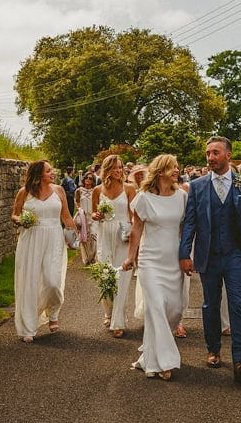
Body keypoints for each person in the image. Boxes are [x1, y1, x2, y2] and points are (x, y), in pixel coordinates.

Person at [179, 136, 241, 384]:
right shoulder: (197, 186)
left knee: (238, 303)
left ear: (228, 155)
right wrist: (185, 254)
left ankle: (240, 360)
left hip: (236, 254)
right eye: (208, 153)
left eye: (215, 153)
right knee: (211, 304)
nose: (210, 158)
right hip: (208, 255)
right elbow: (190, 223)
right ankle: (213, 349)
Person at [122, 155, 187, 381]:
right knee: (156, 307)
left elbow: (183, 230)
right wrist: (131, 257)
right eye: (173, 168)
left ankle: (151, 354)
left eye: (177, 168)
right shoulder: (143, 198)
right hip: (150, 261)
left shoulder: (182, 196)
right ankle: (164, 362)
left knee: (175, 309)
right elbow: (136, 229)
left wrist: (187, 256)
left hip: (173, 260)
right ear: (160, 172)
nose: (177, 171)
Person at [10, 160, 78, 343]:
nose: (52, 172)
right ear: (39, 174)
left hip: (54, 239)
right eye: (49, 171)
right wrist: (21, 220)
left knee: (52, 281)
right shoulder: (24, 193)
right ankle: (28, 327)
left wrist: (76, 236)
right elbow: (14, 214)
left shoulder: (59, 191)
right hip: (31, 240)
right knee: (30, 283)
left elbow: (66, 216)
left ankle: (53, 311)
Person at [92, 155, 137, 337]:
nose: (119, 171)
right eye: (115, 168)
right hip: (104, 234)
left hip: (122, 235)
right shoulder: (97, 190)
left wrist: (133, 233)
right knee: (105, 276)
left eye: (121, 167)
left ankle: (118, 321)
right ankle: (108, 311)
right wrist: (95, 215)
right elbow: (94, 212)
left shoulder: (129, 188)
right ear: (107, 169)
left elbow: (134, 216)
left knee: (122, 278)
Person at [74, 172, 98, 265]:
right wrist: (80, 210)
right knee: (84, 237)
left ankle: (93, 258)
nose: (88, 179)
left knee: (94, 236)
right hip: (83, 216)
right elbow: (77, 201)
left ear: (93, 181)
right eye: (87, 178)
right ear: (84, 179)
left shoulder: (95, 190)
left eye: (91, 178)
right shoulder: (79, 190)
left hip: (93, 215)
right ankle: (87, 258)